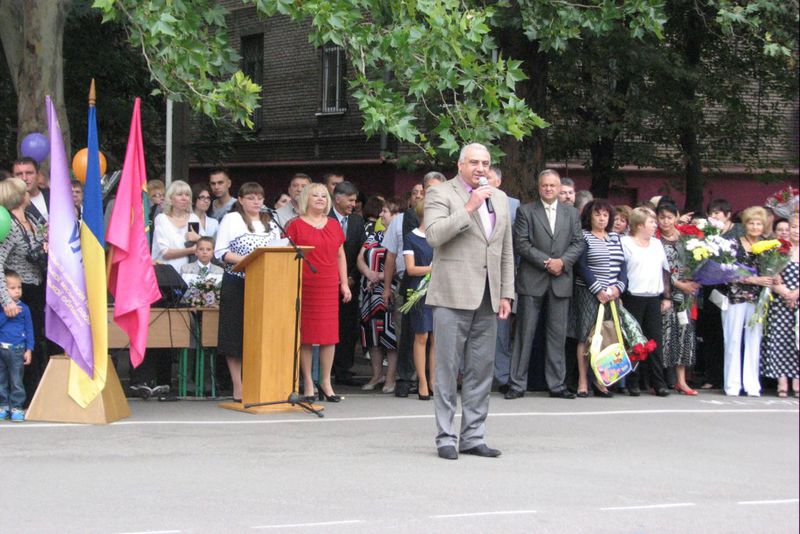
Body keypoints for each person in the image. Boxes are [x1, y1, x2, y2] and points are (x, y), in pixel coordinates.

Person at [425, 142, 515, 460]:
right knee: (448, 369)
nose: (481, 169)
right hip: (452, 293)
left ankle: (473, 436)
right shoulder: (441, 193)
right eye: (474, 162)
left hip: (489, 295)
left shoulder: (500, 198)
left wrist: (507, 292)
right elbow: (434, 235)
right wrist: (470, 207)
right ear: (460, 164)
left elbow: (504, 248)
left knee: (481, 369)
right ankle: (446, 437)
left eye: (486, 163)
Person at [506, 169, 584, 400]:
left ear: (560, 187)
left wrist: (563, 262)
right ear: (539, 187)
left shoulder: (571, 214)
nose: (549, 189)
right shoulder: (526, 211)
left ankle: (557, 384)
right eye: (545, 186)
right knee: (524, 333)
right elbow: (520, 243)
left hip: (561, 280)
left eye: (553, 185)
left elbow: (578, 243)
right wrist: (546, 262)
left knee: (557, 335)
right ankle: (517, 384)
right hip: (532, 279)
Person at [215, 183, 283, 402]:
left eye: (260, 198)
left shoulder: (270, 221)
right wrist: (249, 260)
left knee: (261, 333)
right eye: (251, 198)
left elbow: (278, 248)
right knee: (235, 334)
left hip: (264, 284)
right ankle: (238, 385)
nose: (257, 202)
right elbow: (221, 252)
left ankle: (261, 381)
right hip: (237, 282)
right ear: (241, 200)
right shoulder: (231, 219)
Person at [285, 183, 351, 402]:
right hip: (304, 284)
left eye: (324, 196)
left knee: (329, 337)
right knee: (307, 336)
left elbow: (340, 256)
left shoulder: (333, 224)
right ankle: (308, 383)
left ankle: (326, 382)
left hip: (328, 284)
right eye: (315, 195)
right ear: (305, 198)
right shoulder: (294, 224)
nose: (321, 199)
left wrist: (344, 284)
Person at [0, 177, 47, 404]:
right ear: (19, 197)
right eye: (25, 191)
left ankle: (36, 395)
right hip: (19, 291)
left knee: (36, 342)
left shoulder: (30, 219)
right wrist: (6, 298)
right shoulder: (7, 224)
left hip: (36, 288)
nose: (30, 193)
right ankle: (20, 398)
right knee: (19, 347)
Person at [573, 200, 627, 398]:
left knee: (607, 336)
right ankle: (583, 380)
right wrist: (597, 289)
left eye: (605, 215)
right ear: (590, 217)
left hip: (612, 294)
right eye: (598, 215)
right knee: (585, 337)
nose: (602, 218)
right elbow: (581, 266)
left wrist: (618, 288)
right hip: (589, 293)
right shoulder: (584, 236)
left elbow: (622, 266)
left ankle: (602, 379)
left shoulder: (614, 237)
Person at [721, 206, 774, 397]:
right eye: (751, 223)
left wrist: (772, 277)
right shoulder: (734, 243)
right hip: (735, 296)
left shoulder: (769, 245)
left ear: (763, 226)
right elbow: (727, 271)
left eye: (758, 223)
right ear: (745, 225)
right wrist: (754, 279)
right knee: (733, 339)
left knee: (754, 340)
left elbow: (773, 269)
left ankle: (752, 384)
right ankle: (732, 385)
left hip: (758, 298)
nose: (754, 227)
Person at [621, 207, 672, 396]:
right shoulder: (625, 242)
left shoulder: (657, 244)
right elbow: (621, 270)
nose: (655, 225)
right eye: (651, 222)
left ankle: (658, 383)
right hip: (633, 296)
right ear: (640, 225)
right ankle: (632, 382)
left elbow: (665, 271)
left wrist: (666, 296)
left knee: (655, 341)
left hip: (653, 297)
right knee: (635, 340)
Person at [656, 201, 700, 395]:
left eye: (669, 217)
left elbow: (697, 260)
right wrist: (678, 283)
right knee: (665, 334)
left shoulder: (686, 237)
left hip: (686, 293)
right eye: (662, 217)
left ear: (676, 217)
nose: (665, 221)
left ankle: (681, 380)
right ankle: (661, 379)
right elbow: (660, 269)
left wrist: (694, 280)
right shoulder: (656, 239)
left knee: (684, 334)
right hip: (665, 291)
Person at [357, 197, 399, 392]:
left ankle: (391, 377)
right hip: (369, 292)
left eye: (385, 211)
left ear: (396, 214)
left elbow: (401, 263)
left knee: (390, 336)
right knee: (372, 335)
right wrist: (369, 273)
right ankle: (376, 375)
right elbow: (360, 257)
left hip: (389, 291)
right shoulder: (375, 234)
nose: (381, 215)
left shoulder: (401, 234)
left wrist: (382, 276)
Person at [329, 181, 366, 385]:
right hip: (327, 282)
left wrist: (351, 277)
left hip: (350, 283)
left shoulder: (357, 222)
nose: (353, 204)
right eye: (350, 200)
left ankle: (344, 370)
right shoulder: (325, 219)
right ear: (338, 198)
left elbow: (360, 252)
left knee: (347, 327)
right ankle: (327, 369)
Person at [487, 167, 519, 391]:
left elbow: (512, 245)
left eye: (488, 177)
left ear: (498, 181)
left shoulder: (513, 205)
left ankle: (503, 375)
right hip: (476, 273)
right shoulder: (470, 199)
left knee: (501, 331)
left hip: (501, 274)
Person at [761, 213, 799, 397]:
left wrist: (795, 294)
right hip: (780, 302)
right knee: (780, 339)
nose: (796, 231)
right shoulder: (779, 250)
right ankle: (782, 380)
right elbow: (771, 275)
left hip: (797, 300)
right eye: (793, 227)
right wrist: (784, 292)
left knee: (797, 342)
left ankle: (797, 381)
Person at [403, 200, 435, 400]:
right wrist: (434, 268)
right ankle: (422, 380)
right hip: (419, 291)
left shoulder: (440, 237)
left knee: (437, 339)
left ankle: (434, 381)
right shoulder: (411, 237)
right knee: (421, 336)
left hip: (440, 291)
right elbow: (411, 269)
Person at [0, 270, 34, 422]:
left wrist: (29, 349)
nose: (17, 291)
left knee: (16, 380)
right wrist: (7, 314)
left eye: (19, 287)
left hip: (18, 349)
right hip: (2, 347)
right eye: (12, 288)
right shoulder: (3, 308)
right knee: (1, 379)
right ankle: (3, 406)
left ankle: (17, 407)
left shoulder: (24, 308)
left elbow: (29, 329)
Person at [151, 180, 201, 271]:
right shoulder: (161, 219)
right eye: (179, 194)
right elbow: (165, 253)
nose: (184, 198)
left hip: (189, 274)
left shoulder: (194, 218)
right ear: (170, 199)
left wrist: (198, 238)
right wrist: (191, 250)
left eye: (187, 195)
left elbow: (206, 247)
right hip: (166, 274)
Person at [13, 157, 49, 227]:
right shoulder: (12, 205)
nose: (24, 178)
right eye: (19, 174)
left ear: (38, 175)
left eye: (29, 173)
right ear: (13, 177)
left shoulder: (53, 195)